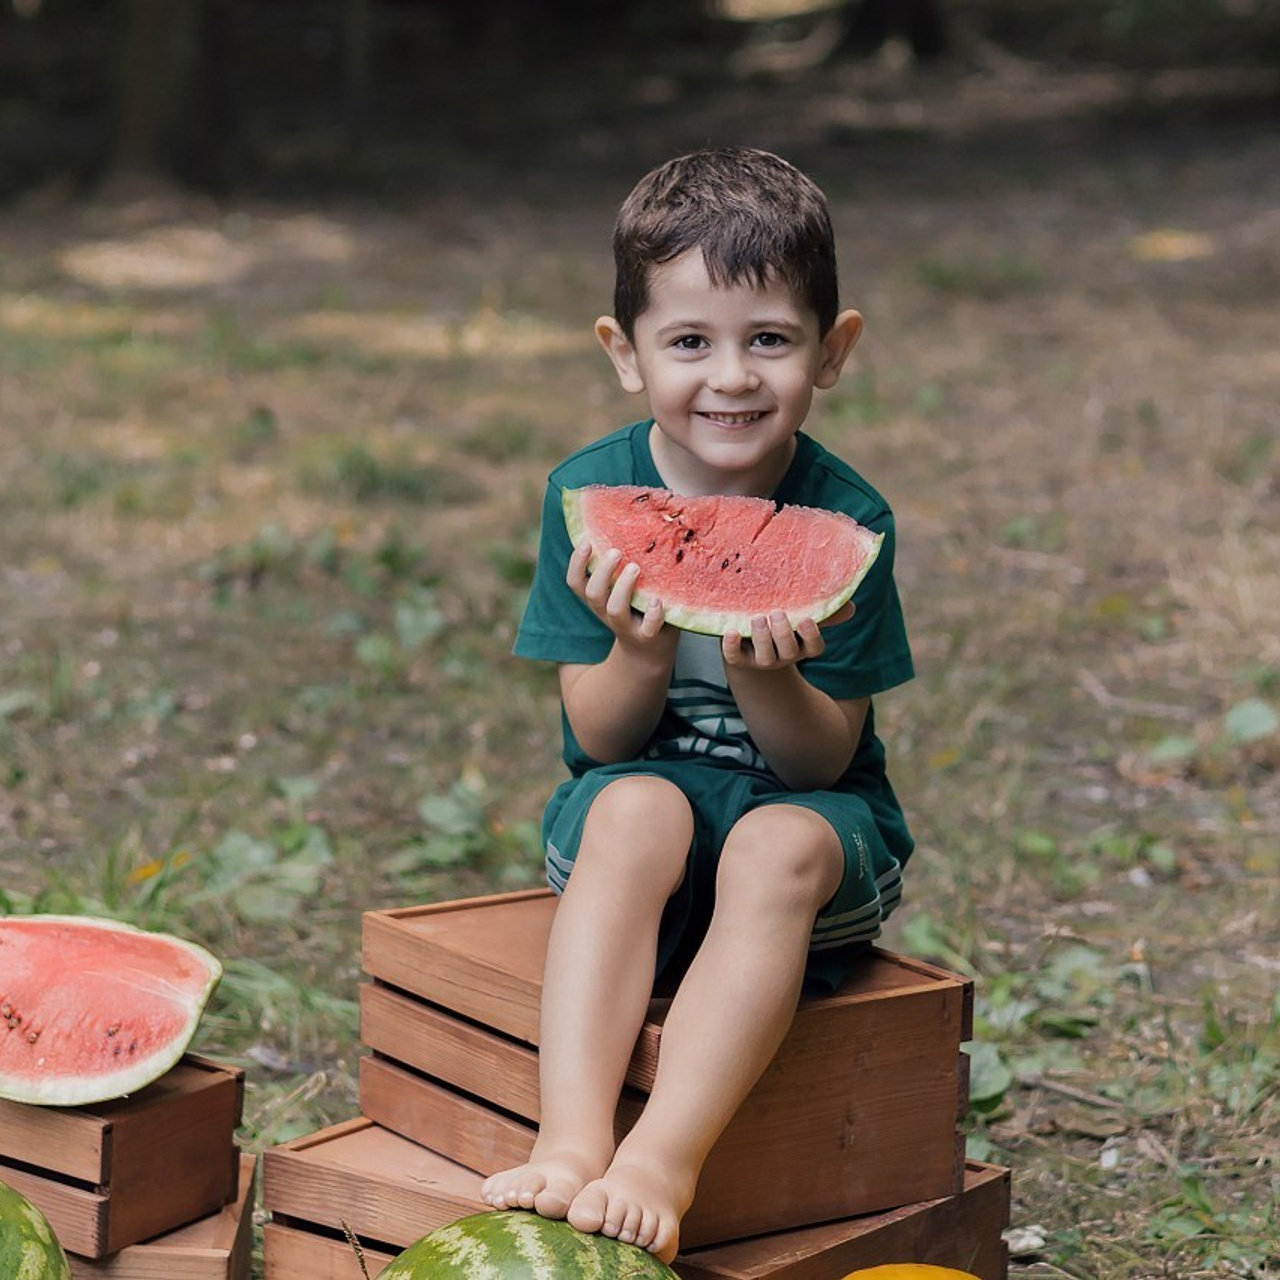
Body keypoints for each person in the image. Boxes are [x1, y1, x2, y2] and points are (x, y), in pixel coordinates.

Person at [480, 146, 915, 1264]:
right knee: (635, 807)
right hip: (639, 826)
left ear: (833, 351)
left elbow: (822, 765)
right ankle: (572, 1137)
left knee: (776, 841)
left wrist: (766, 672)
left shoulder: (849, 521)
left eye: (768, 339)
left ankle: (663, 1156)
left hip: (808, 831)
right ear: (623, 354)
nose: (730, 377)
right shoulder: (587, 496)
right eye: (689, 342)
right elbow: (597, 739)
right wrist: (638, 649)